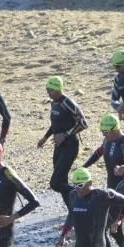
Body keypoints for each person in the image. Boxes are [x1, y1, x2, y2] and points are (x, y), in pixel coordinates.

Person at [83, 113, 124, 247]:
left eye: (106, 132)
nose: (104, 135)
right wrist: (85, 166)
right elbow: (99, 151)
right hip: (111, 189)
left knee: (105, 227)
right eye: (102, 133)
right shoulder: (108, 140)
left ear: (115, 129)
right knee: (114, 230)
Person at [38, 76, 87, 209]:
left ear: (58, 89)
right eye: (47, 90)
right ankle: (72, 212)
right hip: (59, 146)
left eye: (50, 90)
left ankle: (85, 195)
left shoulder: (68, 103)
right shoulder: (53, 103)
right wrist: (45, 137)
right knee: (62, 181)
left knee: (55, 183)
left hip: (70, 145)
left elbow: (83, 123)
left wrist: (65, 135)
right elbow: (55, 124)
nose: (48, 93)